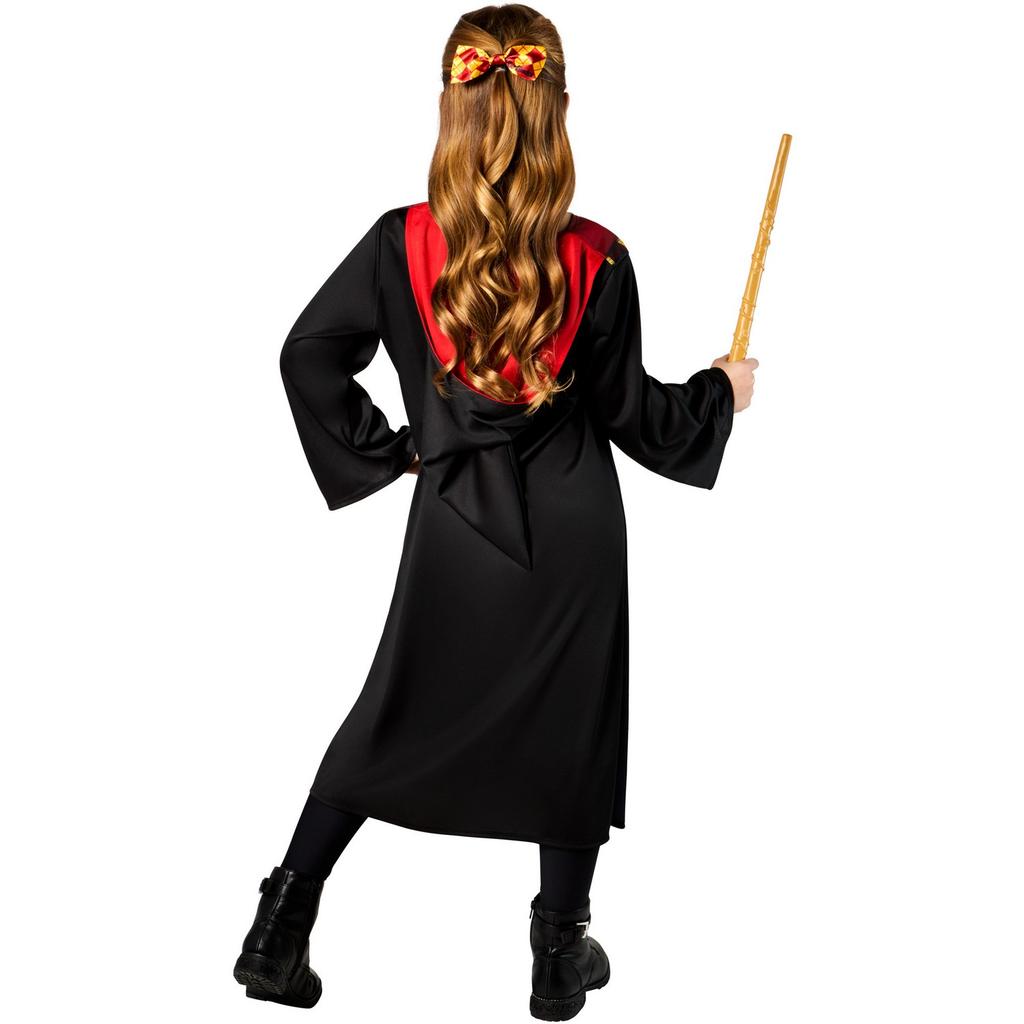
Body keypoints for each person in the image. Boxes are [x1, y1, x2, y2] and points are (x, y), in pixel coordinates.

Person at [233, 4, 758, 1019]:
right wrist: (719, 393)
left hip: (452, 526)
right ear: (555, 110)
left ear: (454, 107)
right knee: (573, 727)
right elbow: (635, 417)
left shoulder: (399, 243)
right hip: (573, 534)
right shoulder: (596, 256)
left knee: (390, 714)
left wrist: (396, 449)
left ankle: (278, 927)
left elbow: (306, 355)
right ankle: (558, 956)